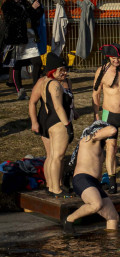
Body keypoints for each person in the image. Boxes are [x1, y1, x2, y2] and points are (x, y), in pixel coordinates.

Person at [91, 44, 120, 190]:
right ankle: (112, 180)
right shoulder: (102, 71)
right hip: (109, 115)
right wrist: (96, 114)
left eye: (118, 57)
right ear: (108, 57)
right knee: (111, 147)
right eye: (113, 58)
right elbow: (96, 93)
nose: (116, 60)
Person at [65, 121, 120, 229]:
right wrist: (107, 127)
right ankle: (69, 220)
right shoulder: (89, 139)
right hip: (82, 179)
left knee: (113, 217)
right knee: (96, 204)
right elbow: (112, 130)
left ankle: (111, 244)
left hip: (94, 183)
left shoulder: (98, 146)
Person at [35, 54, 74, 196]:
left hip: (51, 122)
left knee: (52, 156)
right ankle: (56, 189)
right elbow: (58, 107)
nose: (64, 72)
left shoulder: (46, 82)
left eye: (65, 69)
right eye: (61, 70)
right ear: (52, 70)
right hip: (58, 123)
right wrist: (68, 125)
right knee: (58, 157)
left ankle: (51, 187)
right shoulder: (55, 84)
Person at [2, 0, 44, 99]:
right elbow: (16, 19)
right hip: (17, 39)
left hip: (29, 38)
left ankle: (36, 88)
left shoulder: (24, 3)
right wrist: (31, 9)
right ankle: (20, 90)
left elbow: (34, 16)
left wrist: (38, 7)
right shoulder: (7, 6)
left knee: (37, 62)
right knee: (17, 65)